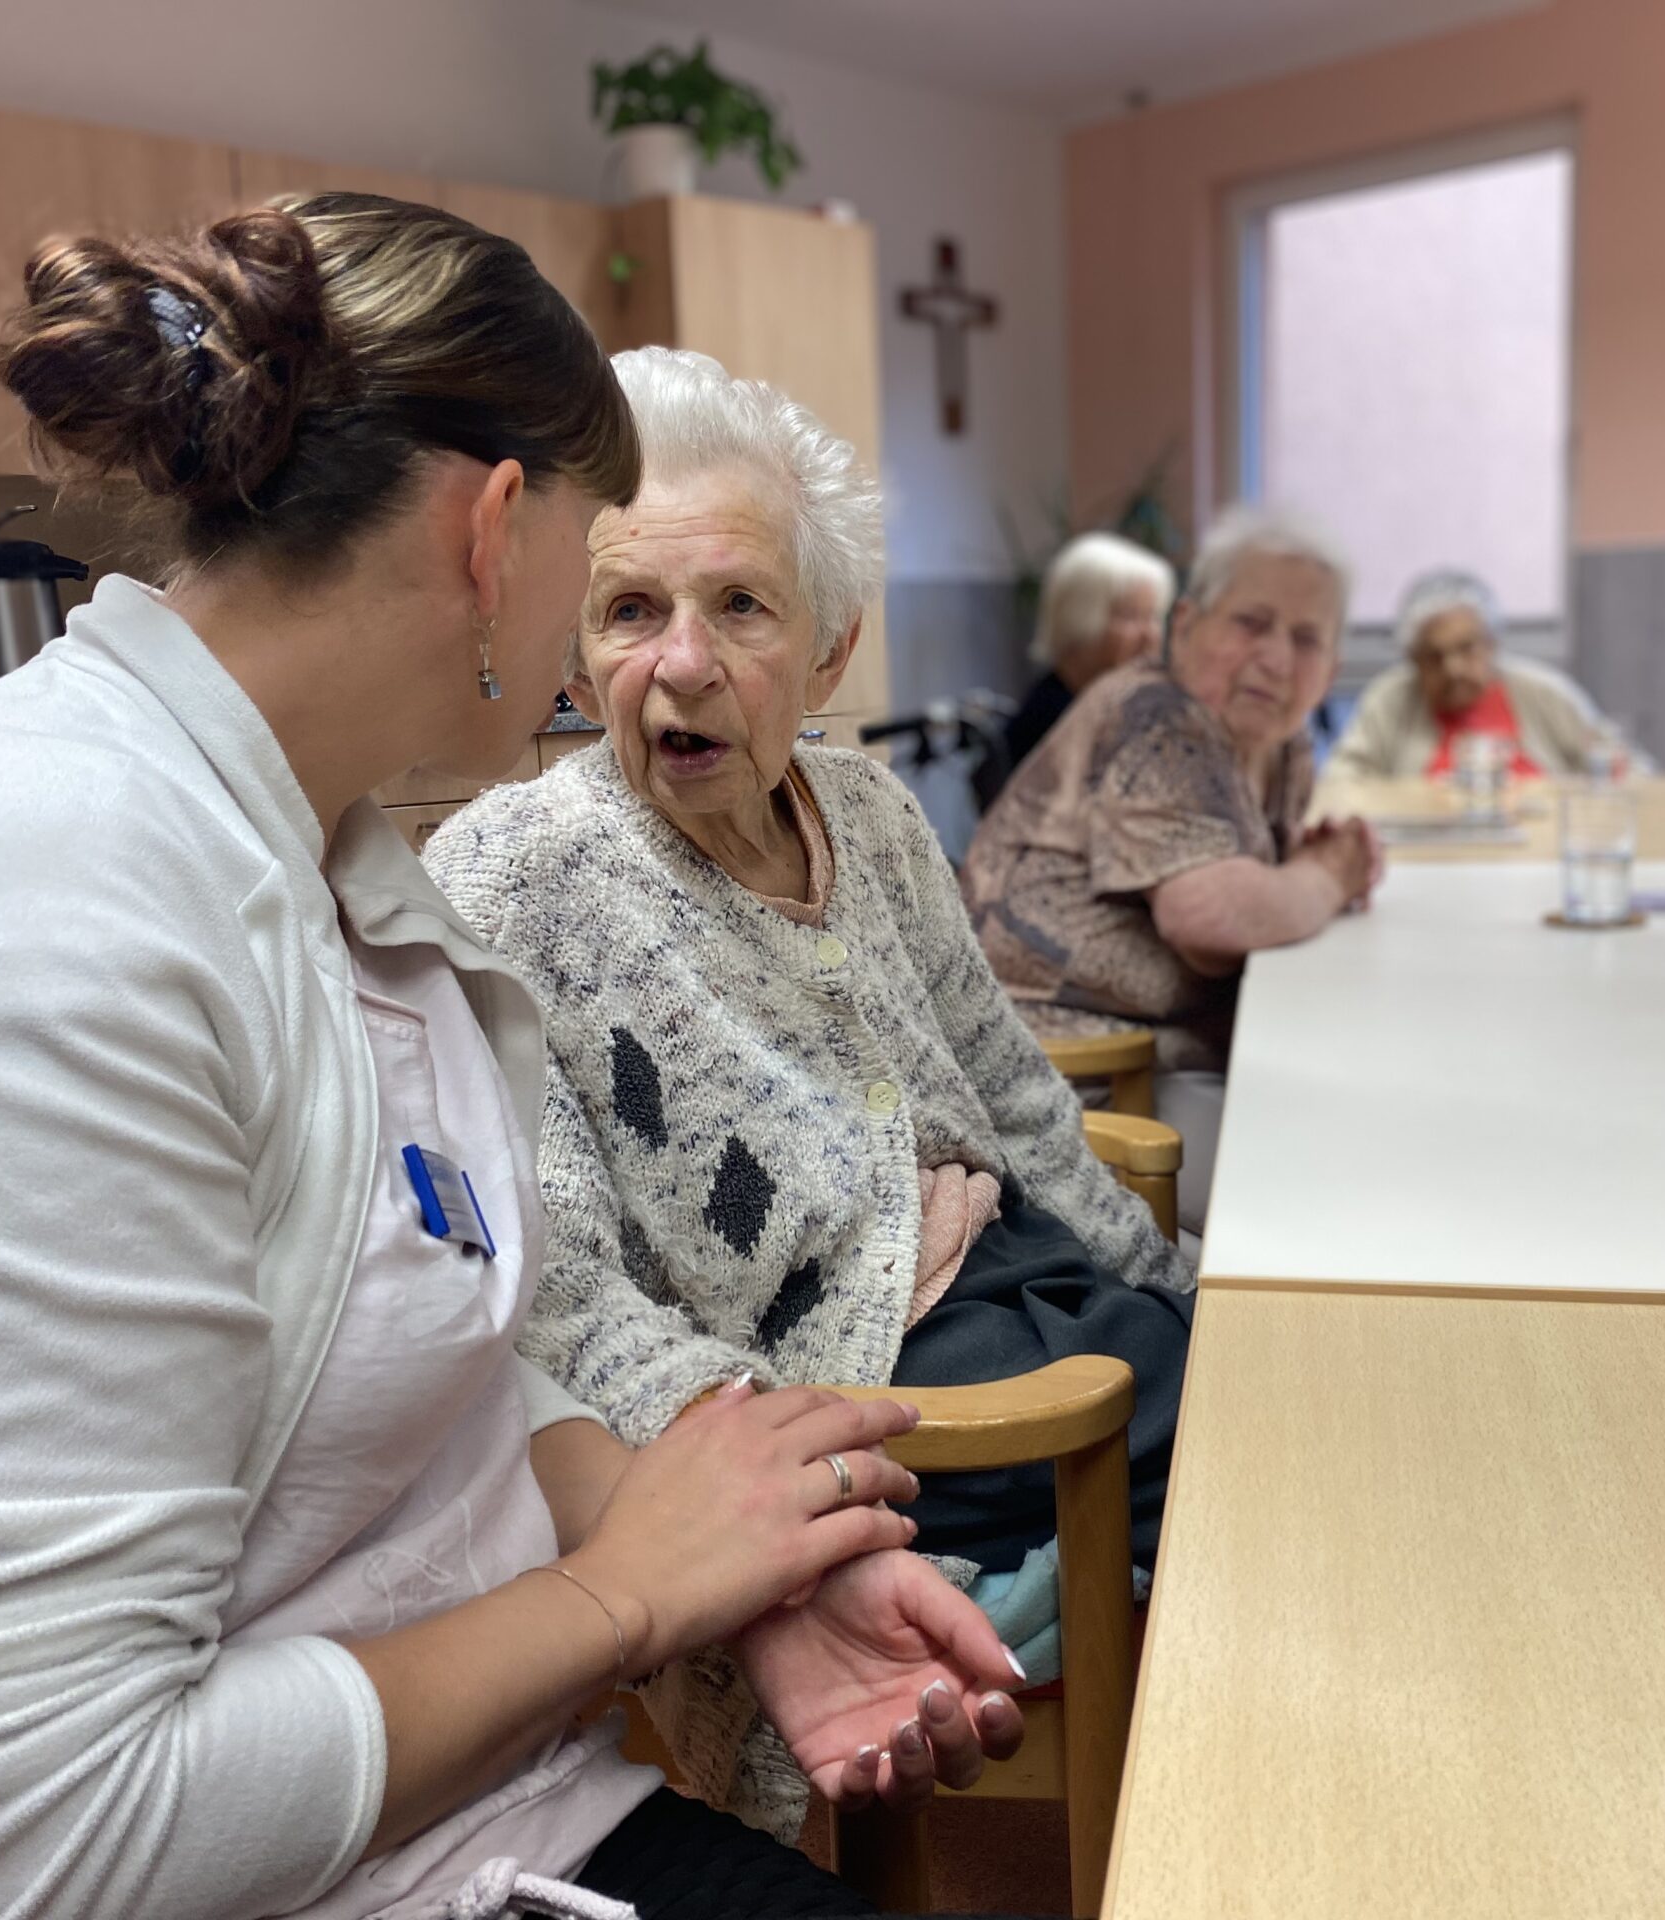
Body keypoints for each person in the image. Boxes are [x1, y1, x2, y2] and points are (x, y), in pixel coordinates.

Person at [0, 196, 1028, 1920]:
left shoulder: (340, 867)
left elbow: (444, 1364)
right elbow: (28, 1842)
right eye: (608, 569)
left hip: (464, 1818)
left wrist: (744, 1574)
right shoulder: (14, 887)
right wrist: (627, 1599)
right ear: (503, 537)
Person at [423, 348, 1195, 1833]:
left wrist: (1153, 1267)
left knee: (1255, 1381)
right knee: (1279, 1459)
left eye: (740, 607)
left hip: (1026, 1291)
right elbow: (558, 1292)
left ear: (829, 652)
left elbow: (1016, 1098)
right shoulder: (512, 880)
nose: (683, 664)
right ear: (578, 655)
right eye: (633, 611)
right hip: (867, 1395)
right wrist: (776, 1499)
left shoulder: (871, 813)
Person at [961, 508, 1381, 1236]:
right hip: (1078, 1085)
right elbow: (1210, 919)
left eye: (1306, 638)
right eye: (1252, 622)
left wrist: (1307, 877)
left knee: (1374, 1115)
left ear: (1332, 669)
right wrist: (1329, 876)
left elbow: (1263, 895)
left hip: (1174, 1055)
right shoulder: (1158, 716)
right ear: (1185, 625)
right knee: (1343, 1186)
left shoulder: (1276, 742)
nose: (1277, 659)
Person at [1326, 568, 1640, 781]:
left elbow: (1624, 764)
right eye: (1434, 657)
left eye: (1467, 648)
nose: (1453, 669)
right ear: (1413, 660)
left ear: (1493, 644)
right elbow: (1342, 778)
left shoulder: (1543, 691)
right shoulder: (1390, 698)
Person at [1004, 531, 1175, 768]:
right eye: (1131, 616)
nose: (1149, 635)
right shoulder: (1055, 724)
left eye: (1153, 616)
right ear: (1078, 619)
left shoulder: (1119, 705)